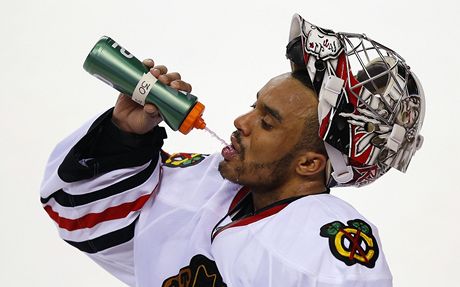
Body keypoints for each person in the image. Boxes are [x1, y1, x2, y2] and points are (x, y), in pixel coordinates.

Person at [40, 14, 425, 287]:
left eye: (267, 121)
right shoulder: (206, 184)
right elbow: (77, 217)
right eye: (254, 105)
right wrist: (124, 136)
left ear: (310, 163)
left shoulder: (322, 246)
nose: (242, 121)